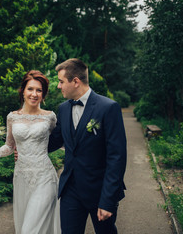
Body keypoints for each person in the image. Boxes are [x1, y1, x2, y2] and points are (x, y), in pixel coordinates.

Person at [47, 58, 127, 234]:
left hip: (100, 191)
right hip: (70, 191)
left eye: (61, 82)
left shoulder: (108, 107)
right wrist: (26, 145)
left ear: (75, 81)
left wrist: (107, 200)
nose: (58, 86)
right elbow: (54, 140)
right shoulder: (63, 108)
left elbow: (117, 158)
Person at [0, 70, 61, 234]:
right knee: (27, 224)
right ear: (23, 91)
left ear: (43, 94)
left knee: (29, 230)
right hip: (21, 178)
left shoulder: (50, 117)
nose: (34, 94)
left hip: (44, 177)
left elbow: (61, 142)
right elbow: (9, 146)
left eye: (39, 90)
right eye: (30, 89)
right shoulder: (12, 117)